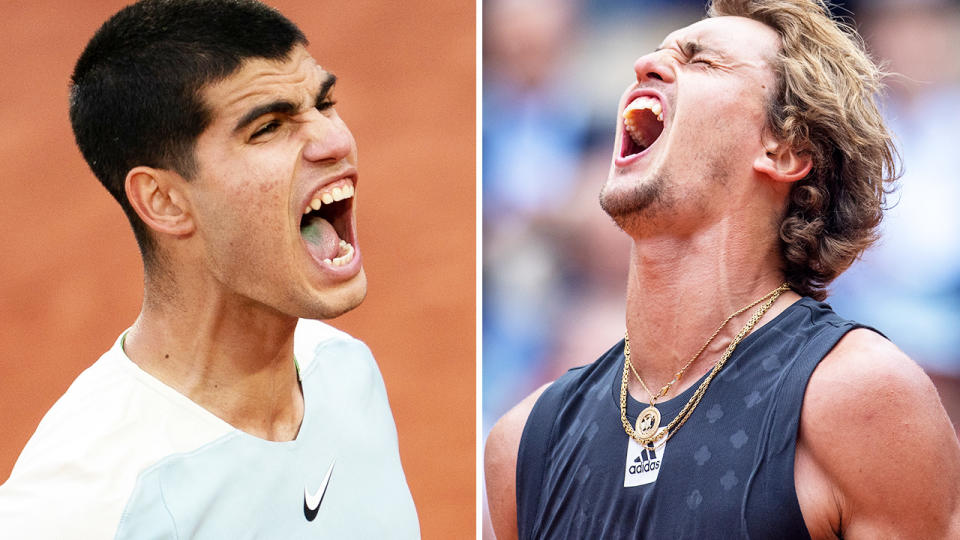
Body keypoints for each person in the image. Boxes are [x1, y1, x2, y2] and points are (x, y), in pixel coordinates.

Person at [485, 0, 960, 538]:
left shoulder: (862, 398)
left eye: (702, 62)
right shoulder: (524, 441)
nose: (645, 64)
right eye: (658, 52)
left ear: (784, 151)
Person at [0, 0, 419, 537]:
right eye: (268, 127)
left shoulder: (344, 372)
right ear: (164, 201)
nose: (336, 141)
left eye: (325, 102)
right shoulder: (89, 508)